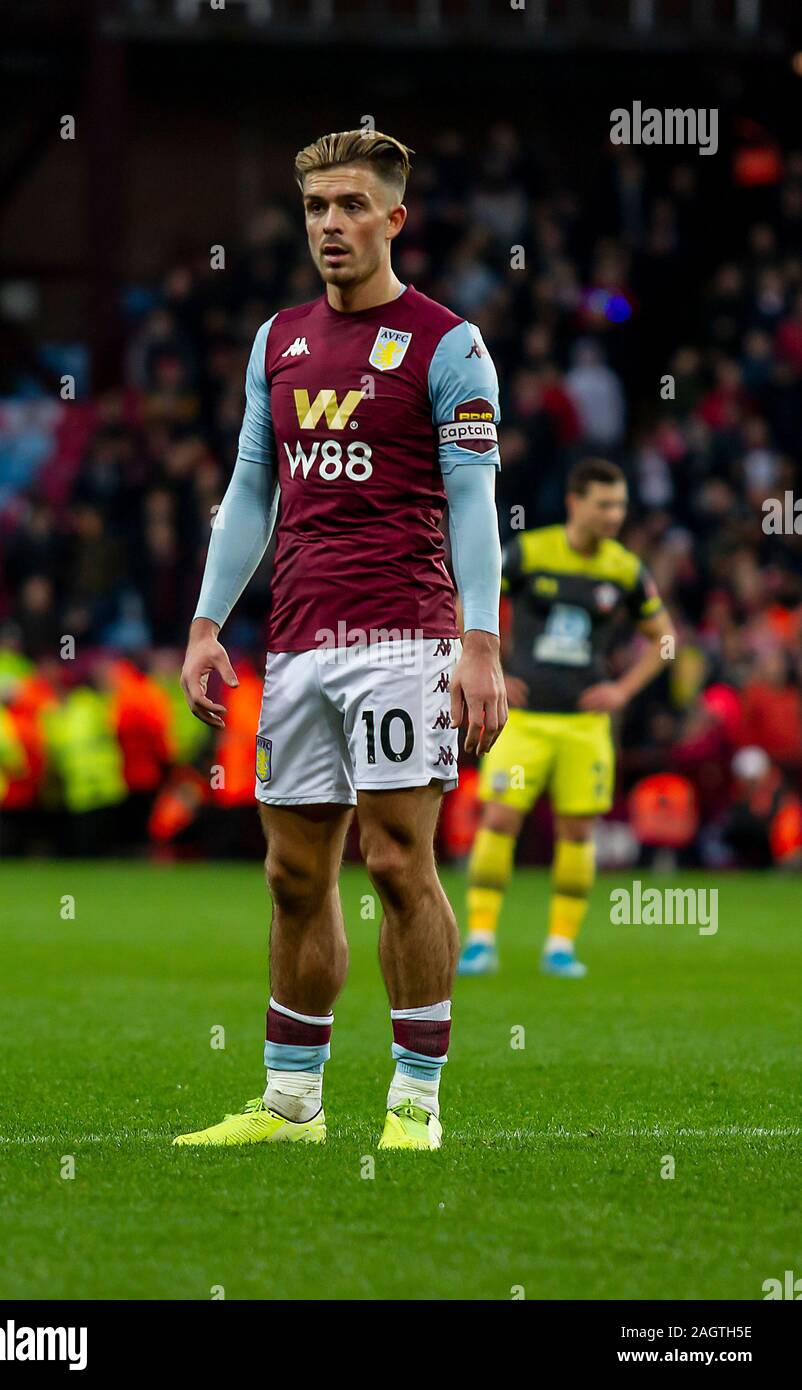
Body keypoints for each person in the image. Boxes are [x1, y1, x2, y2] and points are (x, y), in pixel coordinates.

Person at [174, 130, 506, 1152]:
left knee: (398, 860)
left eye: (351, 205)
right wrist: (204, 623)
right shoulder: (277, 341)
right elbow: (247, 493)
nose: (329, 224)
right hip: (300, 641)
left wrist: (480, 643)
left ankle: (413, 1100)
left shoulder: (448, 344)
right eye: (316, 206)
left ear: (393, 219)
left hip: (404, 638)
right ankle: (290, 1102)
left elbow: (472, 500)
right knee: (290, 874)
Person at [459, 457, 674, 978]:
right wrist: (490, 667)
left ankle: (560, 945)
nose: (615, 515)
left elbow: (665, 641)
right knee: (500, 819)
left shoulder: (624, 568)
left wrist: (622, 689)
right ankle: (481, 938)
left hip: (584, 725)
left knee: (578, 832)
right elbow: (472, 603)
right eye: (604, 504)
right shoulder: (530, 551)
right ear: (575, 502)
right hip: (524, 720)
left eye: (620, 504)